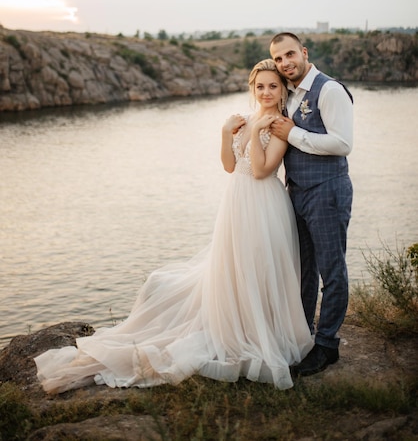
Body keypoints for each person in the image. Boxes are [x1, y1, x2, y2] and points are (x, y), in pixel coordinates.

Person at [34, 59, 313, 394]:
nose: (266, 92)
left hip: (264, 204)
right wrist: (226, 133)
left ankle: (259, 329)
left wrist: (255, 133)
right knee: (234, 266)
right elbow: (229, 166)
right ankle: (236, 319)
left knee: (258, 266)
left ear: (283, 88)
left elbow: (261, 171)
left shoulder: (281, 124)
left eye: (272, 86)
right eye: (260, 86)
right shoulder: (246, 118)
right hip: (236, 202)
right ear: (252, 88)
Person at [269, 32, 353, 377]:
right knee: (304, 268)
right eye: (278, 59)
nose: (285, 63)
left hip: (328, 190)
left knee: (332, 269)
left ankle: (327, 344)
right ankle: (304, 335)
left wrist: (293, 135)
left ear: (304, 53)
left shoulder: (329, 90)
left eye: (290, 54)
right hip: (298, 191)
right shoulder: (286, 93)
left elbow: (342, 143)